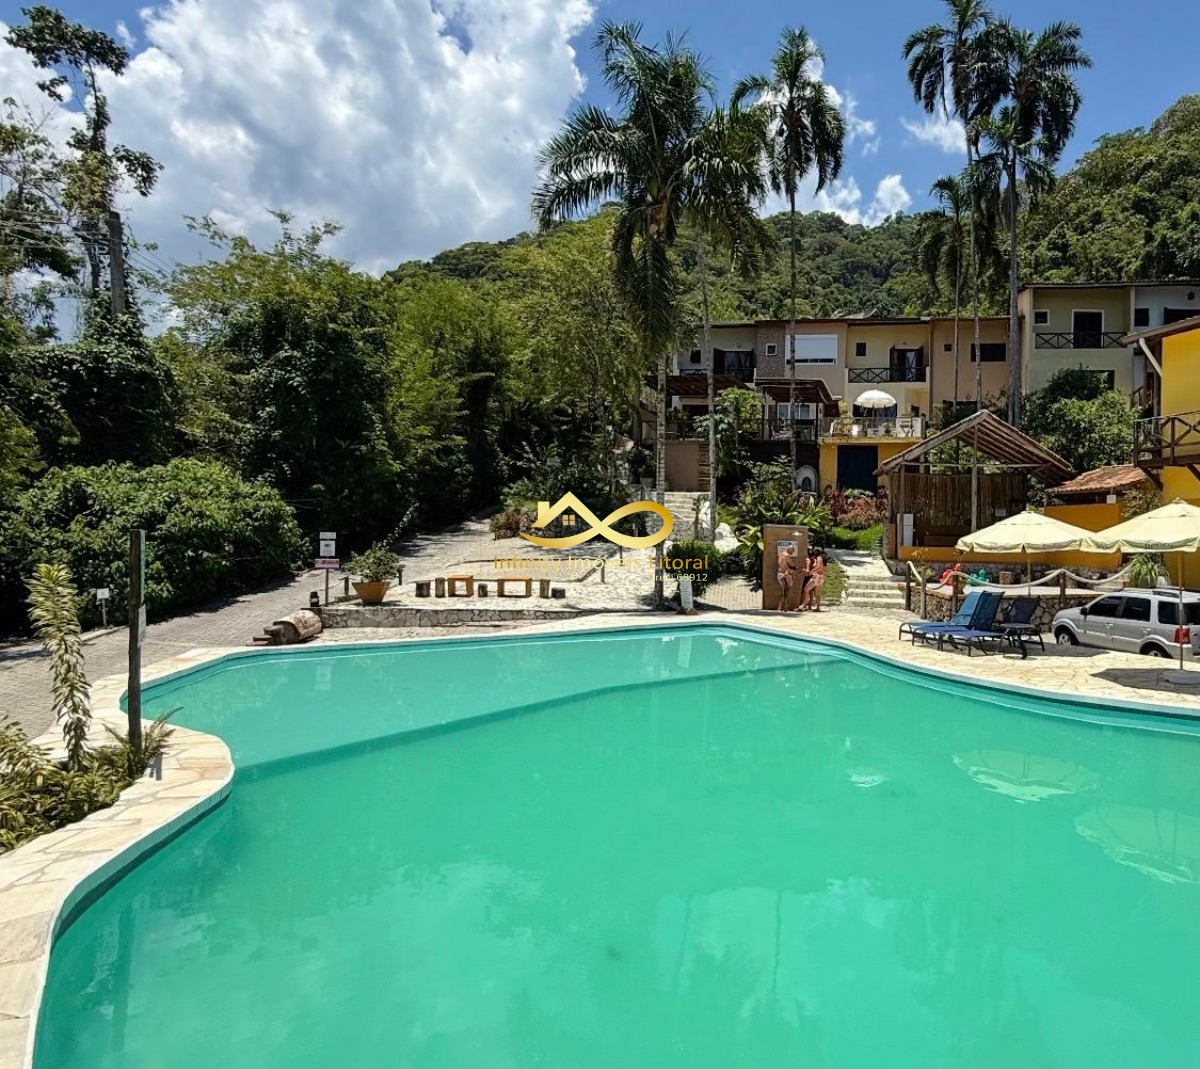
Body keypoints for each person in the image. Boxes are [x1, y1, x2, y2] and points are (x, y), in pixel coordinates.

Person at [776, 543, 798, 611]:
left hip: (780, 574)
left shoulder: (781, 554)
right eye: (792, 551)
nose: (792, 552)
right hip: (784, 574)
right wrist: (796, 567)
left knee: (785, 590)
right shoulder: (787, 555)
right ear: (789, 549)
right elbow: (792, 564)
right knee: (785, 591)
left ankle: (784, 607)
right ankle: (780, 607)